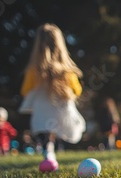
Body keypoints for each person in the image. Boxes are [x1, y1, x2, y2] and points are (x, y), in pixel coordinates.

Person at [19, 23, 85, 159]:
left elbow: (25, 91)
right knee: (56, 125)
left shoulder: (33, 71)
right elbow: (77, 90)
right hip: (60, 112)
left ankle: (48, 149)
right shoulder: (67, 72)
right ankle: (52, 147)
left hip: (42, 114)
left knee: (44, 127)